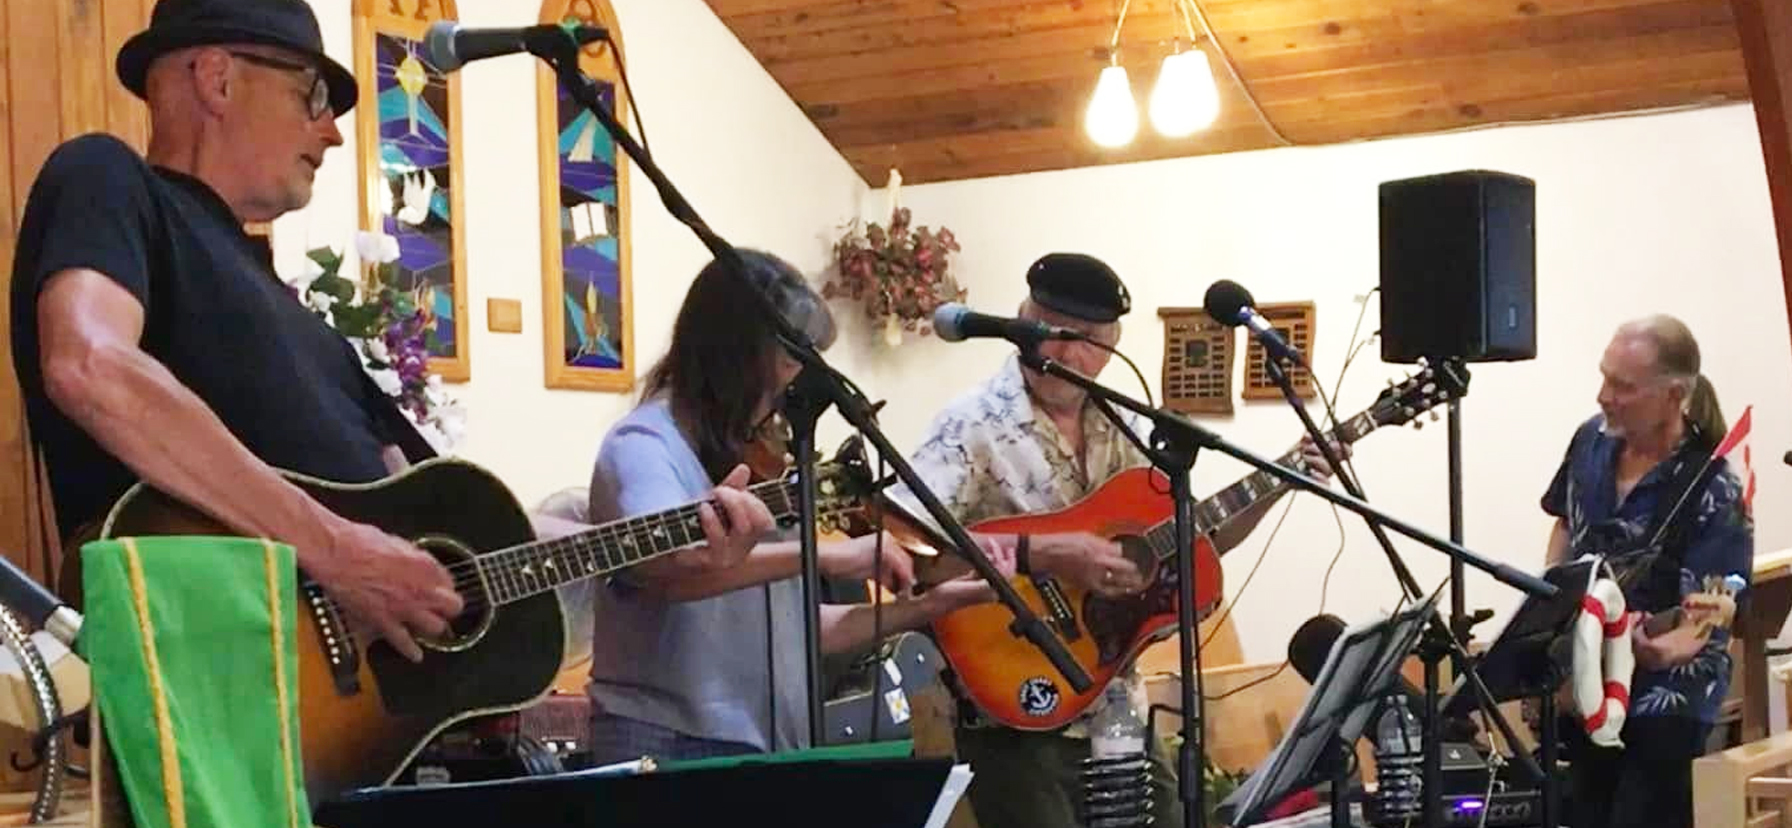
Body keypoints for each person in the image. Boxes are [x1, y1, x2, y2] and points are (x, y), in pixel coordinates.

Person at [5, 0, 760, 665]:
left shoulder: (295, 315)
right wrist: (335, 549)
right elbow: (90, 365)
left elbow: (448, 523)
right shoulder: (109, 180)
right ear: (217, 79)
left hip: (338, 720)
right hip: (202, 676)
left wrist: (668, 536)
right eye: (312, 95)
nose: (333, 133)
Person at [884, 252, 1340, 828]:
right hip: (1014, 701)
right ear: (1023, 320)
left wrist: (1282, 480)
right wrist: (1043, 558)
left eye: (1088, 341)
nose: (1067, 354)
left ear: (1113, 343)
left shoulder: (1128, 426)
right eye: (1052, 332)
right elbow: (904, 545)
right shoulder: (970, 424)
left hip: (1116, 704)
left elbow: (1196, 541)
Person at [583, 248, 1016, 763]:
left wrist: (924, 608)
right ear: (736, 356)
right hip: (664, 739)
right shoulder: (644, 444)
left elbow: (798, 632)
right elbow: (666, 565)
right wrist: (825, 556)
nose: (794, 380)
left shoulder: (750, 456)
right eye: (789, 359)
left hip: (762, 742)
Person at [1542, 315, 1752, 828]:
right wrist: (1553, 610)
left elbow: (1707, 616)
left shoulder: (1713, 486)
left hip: (1665, 701)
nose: (1603, 396)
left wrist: (1664, 647)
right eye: (1604, 377)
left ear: (1673, 395)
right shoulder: (1588, 442)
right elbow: (1564, 524)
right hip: (1583, 682)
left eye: (1623, 386)